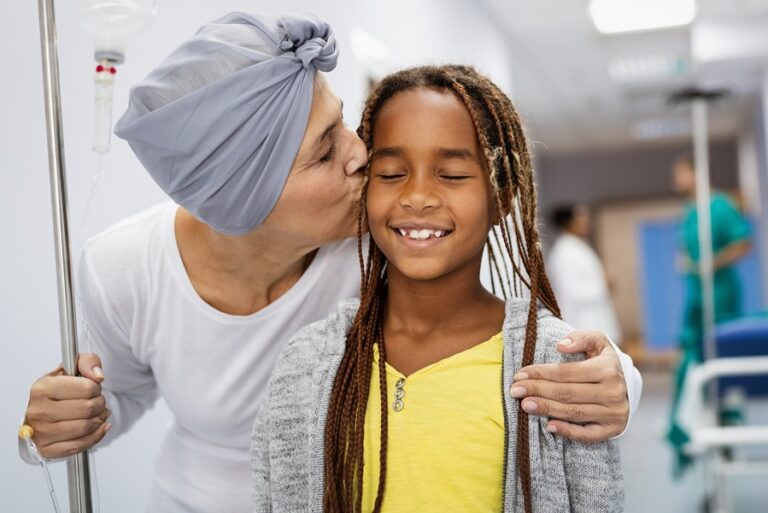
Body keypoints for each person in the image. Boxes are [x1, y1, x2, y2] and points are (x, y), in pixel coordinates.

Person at [20, 13, 638, 513]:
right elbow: (120, 396)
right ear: (245, 198)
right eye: (324, 153)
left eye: (341, 122)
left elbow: (530, 340)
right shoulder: (123, 269)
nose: (359, 156)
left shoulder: (394, 241)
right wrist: (76, 417)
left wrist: (619, 385)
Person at [251, 65, 624, 513]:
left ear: (501, 195)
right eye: (390, 174)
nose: (418, 196)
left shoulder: (551, 367)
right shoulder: (307, 364)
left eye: (451, 175)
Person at [667, 153, 752, 473]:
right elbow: (686, 249)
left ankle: (727, 422)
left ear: (697, 172)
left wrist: (710, 264)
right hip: (698, 295)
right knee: (691, 356)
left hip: (721, 293)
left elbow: (743, 243)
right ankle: (693, 424)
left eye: (681, 173)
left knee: (721, 358)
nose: (676, 181)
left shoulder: (720, 206)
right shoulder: (689, 212)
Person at [547, 204, 622, 344]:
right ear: (568, 222)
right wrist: (604, 285)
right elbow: (572, 292)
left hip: (595, 320)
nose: (586, 220)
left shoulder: (577, 247)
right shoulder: (564, 253)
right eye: (580, 217)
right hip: (582, 323)